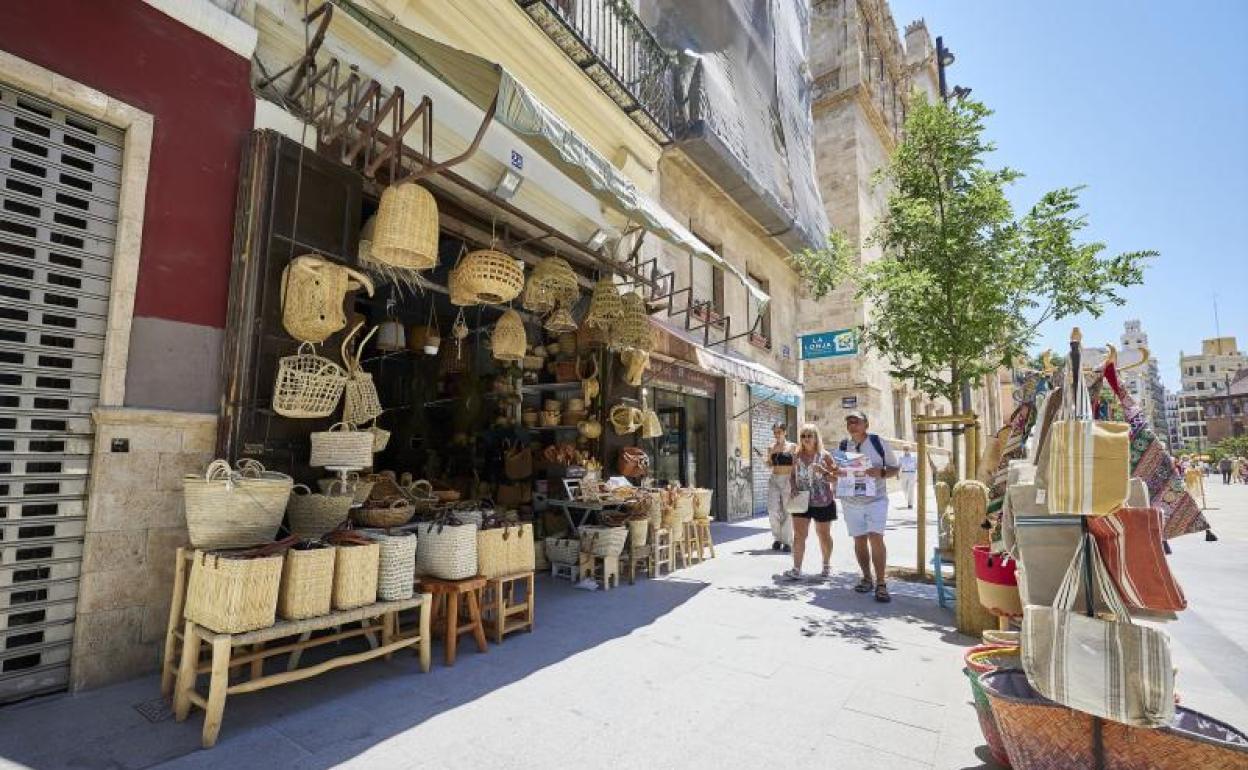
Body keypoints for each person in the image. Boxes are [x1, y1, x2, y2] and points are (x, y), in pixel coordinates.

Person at [835, 411, 899, 603]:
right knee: (860, 540)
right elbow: (840, 473)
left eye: (856, 421)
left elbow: (895, 469)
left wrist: (881, 472)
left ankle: (881, 583)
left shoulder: (878, 443)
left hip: (876, 500)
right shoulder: (844, 445)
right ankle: (866, 578)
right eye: (849, 422)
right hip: (852, 502)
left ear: (866, 424)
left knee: (876, 537)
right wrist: (832, 474)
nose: (852, 425)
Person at [783, 423, 837, 581]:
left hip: (823, 500)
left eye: (809, 436)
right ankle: (796, 569)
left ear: (816, 438)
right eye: (803, 436)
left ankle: (826, 565)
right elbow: (792, 475)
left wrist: (824, 472)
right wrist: (792, 487)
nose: (806, 439)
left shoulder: (825, 455)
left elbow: (836, 477)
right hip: (801, 500)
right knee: (799, 535)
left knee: (824, 535)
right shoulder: (796, 456)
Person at [765, 422, 796, 552]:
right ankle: (777, 538)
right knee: (772, 510)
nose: (777, 434)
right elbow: (769, 464)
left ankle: (787, 541)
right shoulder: (771, 447)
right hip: (774, 479)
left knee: (787, 510)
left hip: (787, 479)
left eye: (779, 432)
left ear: (785, 432)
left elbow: (796, 465)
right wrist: (766, 461)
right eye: (775, 432)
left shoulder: (792, 447)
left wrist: (795, 483)